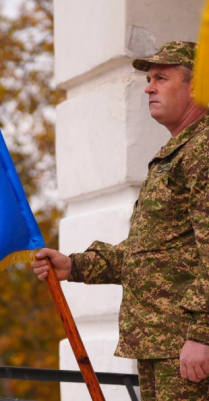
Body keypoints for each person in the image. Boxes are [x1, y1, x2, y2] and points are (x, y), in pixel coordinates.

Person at [31, 41, 209, 400]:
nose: (148, 87)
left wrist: (202, 334)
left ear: (195, 86)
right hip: (162, 343)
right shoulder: (177, 153)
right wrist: (75, 265)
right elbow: (150, 252)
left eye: (161, 77)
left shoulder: (203, 149)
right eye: (149, 78)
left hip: (187, 346)